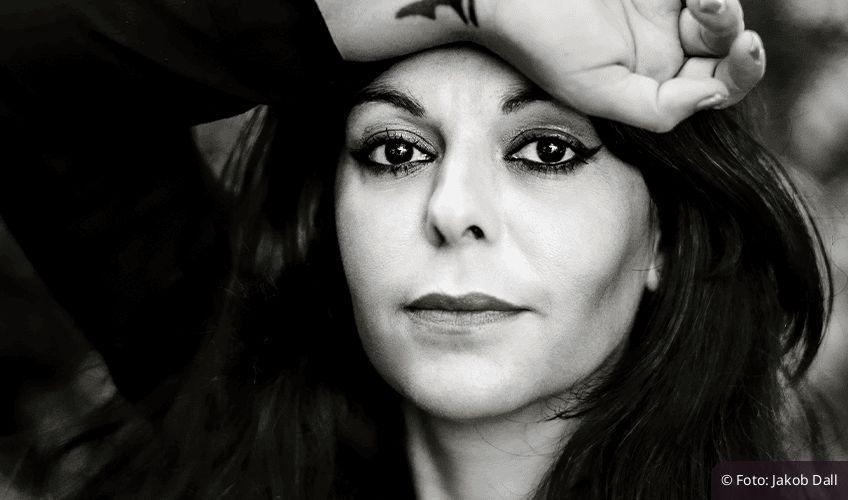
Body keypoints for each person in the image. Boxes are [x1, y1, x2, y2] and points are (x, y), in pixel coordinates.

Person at [51, 45, 827, 500]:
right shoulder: (234, 434)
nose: (453, 211)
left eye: (547, 150)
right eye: (396, 150)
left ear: (665, 238)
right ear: (327, 215)